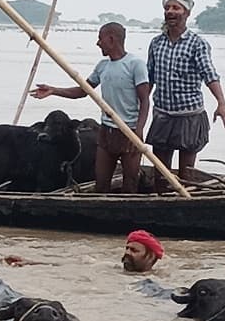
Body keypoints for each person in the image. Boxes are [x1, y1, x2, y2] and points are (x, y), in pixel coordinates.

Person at [32, 22, 150, 193]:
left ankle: (126, 217)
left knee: (130, 183)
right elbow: (82, 91)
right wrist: (53, 90)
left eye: (100, 39)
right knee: (101, 183)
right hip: (106, 131)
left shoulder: (135, 64)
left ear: (111, 39)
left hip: (128, 131)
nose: (98, 43)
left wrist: (138, 131)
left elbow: (145, 101)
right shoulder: (103, 66)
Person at [146, 0, 225, 188]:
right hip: (162, 114)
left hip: (189, 116)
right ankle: (160, 204)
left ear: (187, 13)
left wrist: (222, 104)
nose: (170, 12)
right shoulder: (156, 43)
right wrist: (138, 108)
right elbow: (149, 78)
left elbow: (210, 75)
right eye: (167, 8)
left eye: (175, 8)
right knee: (161, 173)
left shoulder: (197, 44)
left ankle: (183, 204)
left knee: (186, 174)